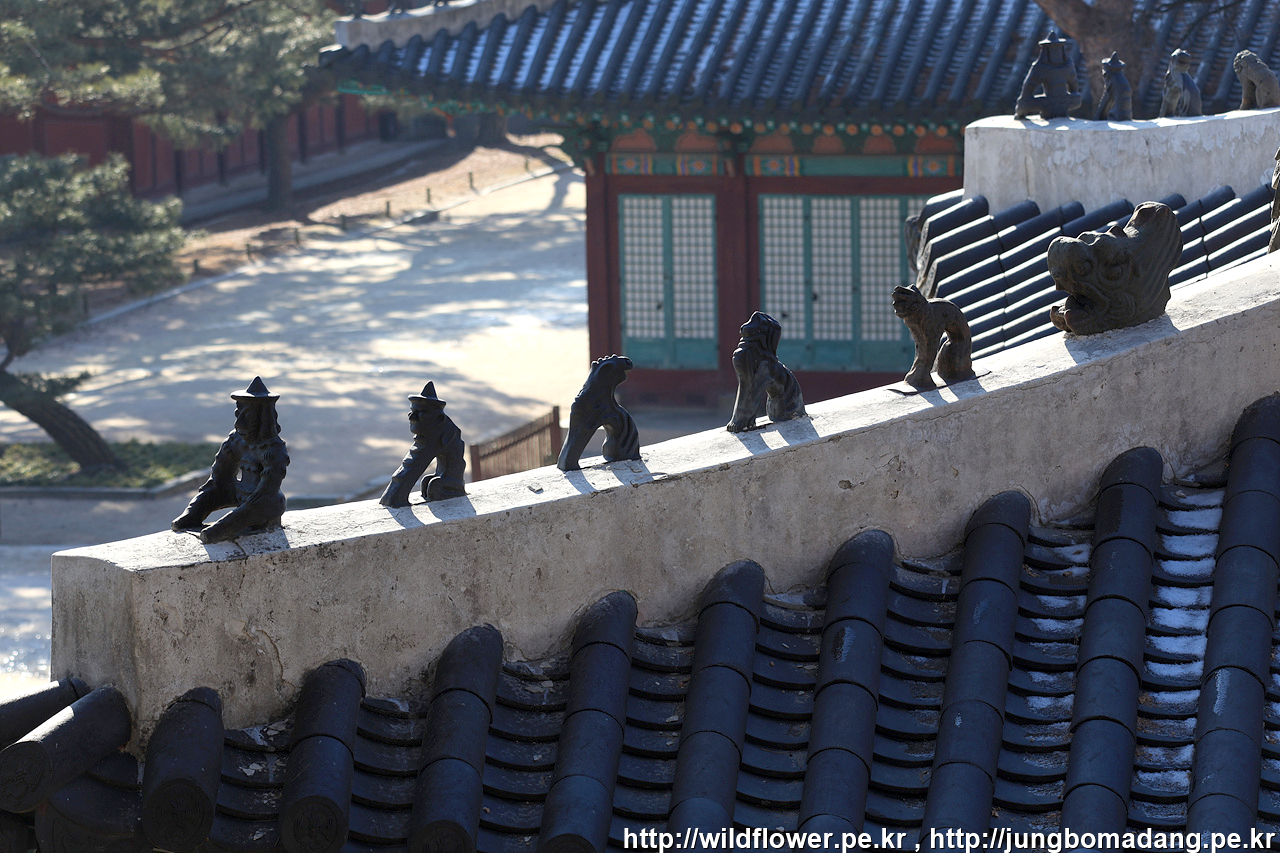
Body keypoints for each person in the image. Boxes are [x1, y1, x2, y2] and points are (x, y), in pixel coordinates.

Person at [171, 377, 289, 543]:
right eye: (237, 414)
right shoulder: (236, 440)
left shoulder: (273, 449)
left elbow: (266, 492)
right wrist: (199, 506)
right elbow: (219, 479)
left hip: (264, 503)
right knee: (212, 491)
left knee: (236, 519)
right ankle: (192, 515)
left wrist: (226, 523)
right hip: (238, 492)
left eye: (248, 416)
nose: (239, 422)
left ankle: (220, 528)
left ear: (264, 418)